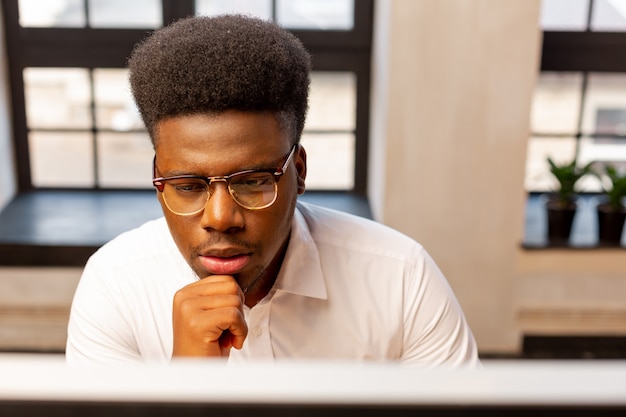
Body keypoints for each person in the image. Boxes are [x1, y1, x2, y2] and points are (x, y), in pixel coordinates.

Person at [66, 14, 479, 366]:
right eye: (188, 186)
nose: (220, 218)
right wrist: (187, 381)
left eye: (252, 181)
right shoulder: (115, 285)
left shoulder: (401, 277)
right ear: (158, 179)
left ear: (298, 171)